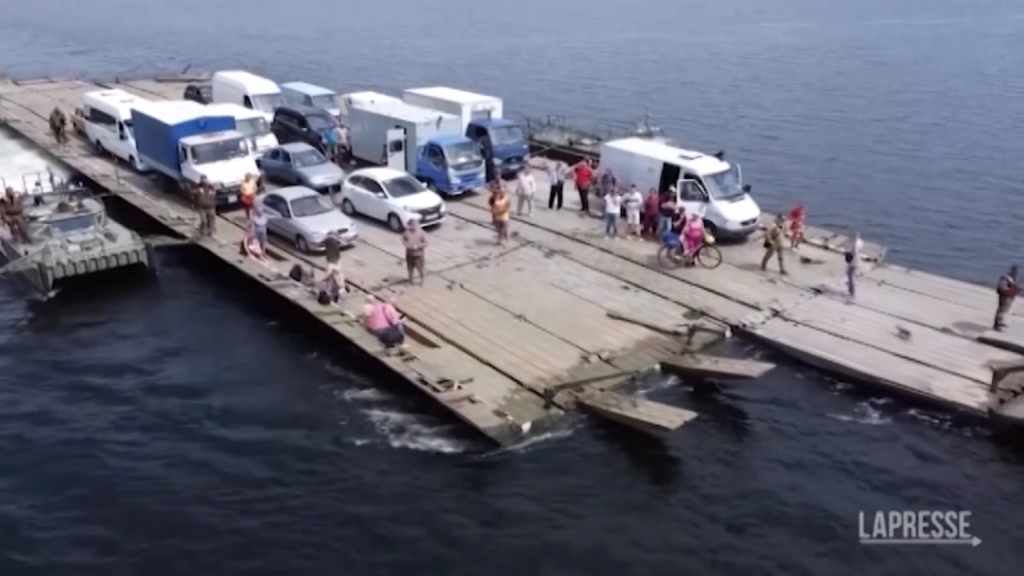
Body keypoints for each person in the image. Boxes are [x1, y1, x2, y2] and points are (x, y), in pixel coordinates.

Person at [402, 218, 427, 285]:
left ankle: (422, 280)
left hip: (418, 255)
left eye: (415, 225)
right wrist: (406, 245)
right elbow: (403, 239)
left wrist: (418, 246)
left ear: (418, 225)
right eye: (412, 225)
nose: (414, 226)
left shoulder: (421, 233)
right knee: (410, 268)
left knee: (420, 269)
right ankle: (411, 280)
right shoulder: (407, 232)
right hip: (409, 254)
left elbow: (426, 243)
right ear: (410, 225)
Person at [994, 265, 1020, 331]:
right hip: (1005, 297)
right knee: (1002, 310)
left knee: (1005, 310)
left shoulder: (1013, 279)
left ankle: (1000, 321)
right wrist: (1007, 290)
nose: (1015, 273)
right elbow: (1002, 287)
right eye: (1014, 272)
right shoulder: (1006, 278)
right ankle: (997, 324)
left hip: (1010, 297)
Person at [843, 231, 862, 299]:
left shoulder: (854, 244)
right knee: (851, 274)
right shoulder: (860, 242)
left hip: (853, 261)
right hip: (857, 260)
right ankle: (850, 290)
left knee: (850, 276)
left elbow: (854, 252)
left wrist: (848, 255)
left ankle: (852, 292)